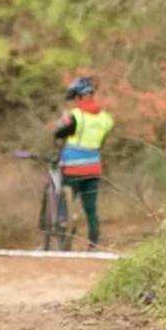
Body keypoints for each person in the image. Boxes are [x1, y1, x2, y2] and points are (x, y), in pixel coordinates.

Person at [54, 77, 114, 249]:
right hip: (94, 167)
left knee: (64, 204)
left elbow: (59, 133)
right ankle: (93, 244)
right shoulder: (105, 119)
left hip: (73, 168)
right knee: (91, 208)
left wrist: (62, 122)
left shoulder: (76, 116)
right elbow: (101, 141)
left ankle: (65, 236)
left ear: (79, 97)